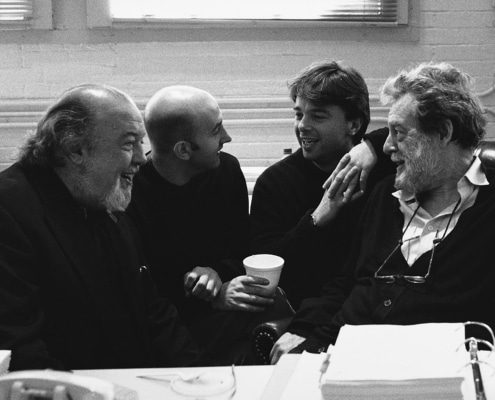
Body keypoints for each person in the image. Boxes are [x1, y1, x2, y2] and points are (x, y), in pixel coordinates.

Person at [270, 62, 494, 364]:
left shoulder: (487, 208)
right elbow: (347, 283)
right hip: (342, 357)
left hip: (439, 369)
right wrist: (306, 331)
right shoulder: (385, 195)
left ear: (443, 132)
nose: (387, 147)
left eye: (398, 133)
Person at [0, 84, 201, 371]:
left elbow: (154, 312)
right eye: (129, 143)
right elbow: (20, 350)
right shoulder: (8, 212)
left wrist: (199, 377)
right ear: (75, 149)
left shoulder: (103, 196)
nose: (142, 158)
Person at [127, 85, 293, 364]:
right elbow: (139, 292)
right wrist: (210, 297)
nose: (226, 137)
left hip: (218, 309)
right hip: (165, 325)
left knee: (270, 302)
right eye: (216, 130)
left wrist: (216, 273)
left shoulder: (226, 171)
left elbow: (243, 249)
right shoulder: (131, 192)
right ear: (183, 150)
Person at [249, 60, 394, 309]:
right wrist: (316, 219)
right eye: (298, 114)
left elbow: (425, 127)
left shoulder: (383, 166)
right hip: (307, 310)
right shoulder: (274, 183)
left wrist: (370, 146)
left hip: (373, 305)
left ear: (354, 125)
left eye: (317, 116)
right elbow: (267, 269)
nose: (302, 125)